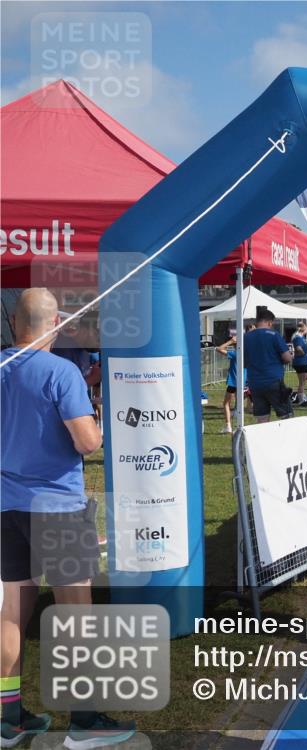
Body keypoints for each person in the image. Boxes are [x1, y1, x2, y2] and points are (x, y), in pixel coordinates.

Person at [1, 289, 136, 748]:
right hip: (56, 506)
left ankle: (9, 720)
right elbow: (87, 442)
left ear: (16, 323)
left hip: (7, 506)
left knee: (13, 614)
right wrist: (95, 423)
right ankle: (84, 721)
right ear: (54, 322)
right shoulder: (61, 371)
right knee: (77, 614)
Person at [243, 308, 293, 423]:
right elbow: (287, 358)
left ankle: (262, 440)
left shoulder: (246, 337)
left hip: (254, 383)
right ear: (270, 322)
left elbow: (243, 362)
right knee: (286, 415)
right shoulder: (274, 335)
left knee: (262, 417)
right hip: (273, 381)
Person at [216, 335, 247, 433]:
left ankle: (228, 426)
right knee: (239, 405)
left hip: (234, 382)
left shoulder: (235, 354)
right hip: (243, 381)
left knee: (226, 403)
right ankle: (239, 426)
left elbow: (219, 349)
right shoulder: (246, 353)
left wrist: (230, 341)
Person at [290, 323, 307, 407]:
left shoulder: (302, 338)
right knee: (302, 382)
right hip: (300, 363)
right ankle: (301, 400)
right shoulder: (297, 337)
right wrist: (303, 354)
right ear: (304, 329)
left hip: (304, 363)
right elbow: (298, 348)